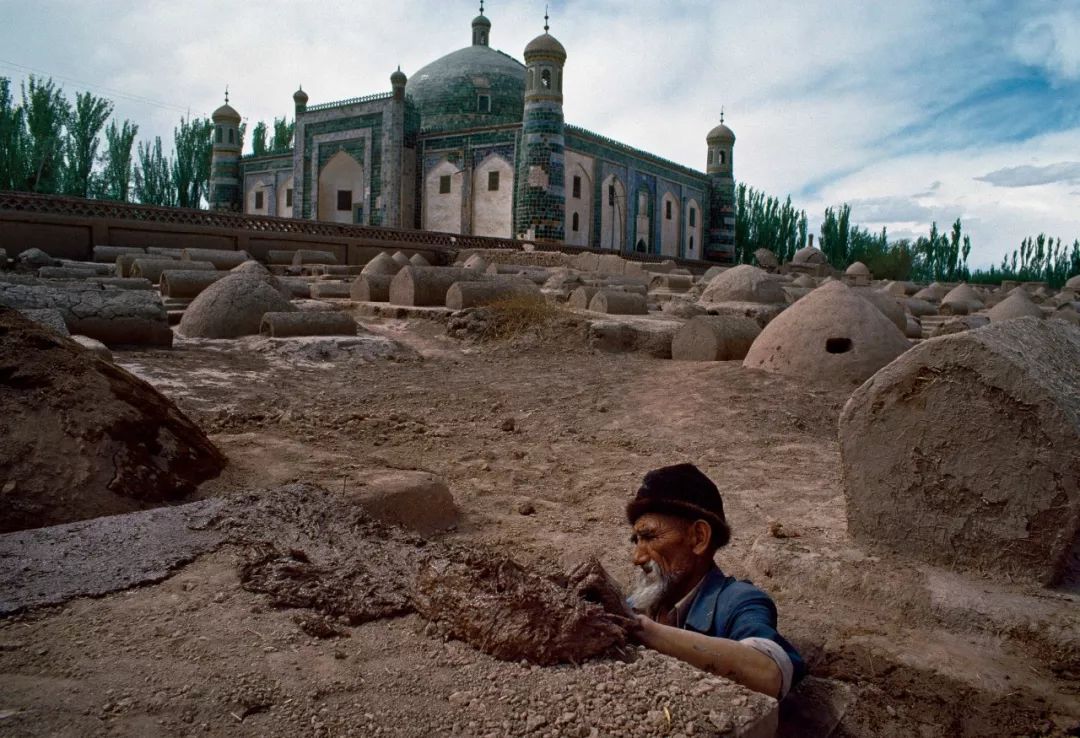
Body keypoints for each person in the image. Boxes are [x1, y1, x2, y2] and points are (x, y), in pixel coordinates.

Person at [571, 463, 805, 699]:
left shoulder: (738, 601)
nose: (637, 557)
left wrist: (639, 627)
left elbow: (770, 672)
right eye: (636, 541)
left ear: (699, 538)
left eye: (650, 537)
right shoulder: (642, 603)